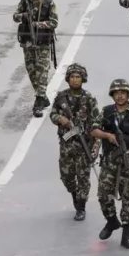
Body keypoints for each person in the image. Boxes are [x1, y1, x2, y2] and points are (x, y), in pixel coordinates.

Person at [90, 79, 129, 249]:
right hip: (109, 160)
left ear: (128, 94)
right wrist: (107, 136)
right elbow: (93, 129)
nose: (120, 95)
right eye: (117, 93)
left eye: (123, 92)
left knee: (128, 198)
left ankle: (127, 235)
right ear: (113, 95)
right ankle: (111, 221)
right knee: (103, 194)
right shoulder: (106, 112)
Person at [50, 63, 101, 221]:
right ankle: (74, 195)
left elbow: (97, 123)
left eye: (78, 77)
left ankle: (81, 207)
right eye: (72, 77)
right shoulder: (61, 98)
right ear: (68, 79)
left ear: (83, 79)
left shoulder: (89, 99)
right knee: (67, 177)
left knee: (83, 178)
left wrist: (95, 146)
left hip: (84, 145)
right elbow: (52, 115)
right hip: (66, 145)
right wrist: (61, 119)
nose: (75, 80)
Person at [13, 0, 58, 117]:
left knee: (42, 72)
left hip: (43, 44)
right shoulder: (25, 3)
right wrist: (24, 16)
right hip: (28, 44)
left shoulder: (48, 3)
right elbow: (15, 16)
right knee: (32, 73)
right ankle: (43, 97)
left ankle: (38, 102)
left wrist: (38, 24)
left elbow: (54, 22)